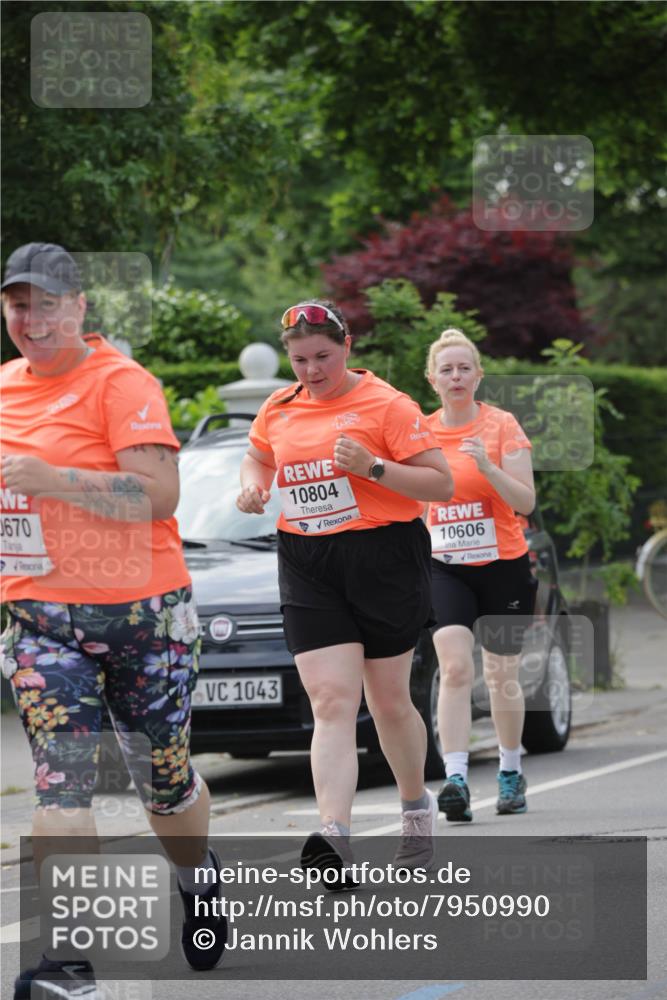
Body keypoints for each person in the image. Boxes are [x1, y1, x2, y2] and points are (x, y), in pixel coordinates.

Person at [0, 244, 226, 998]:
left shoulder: (121, 382)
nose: (32, 320)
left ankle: (195, 877)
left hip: (144, 618)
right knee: (61, 787)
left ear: (78, 306)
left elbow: (159, 496)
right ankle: (69, 965)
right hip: (40, 622)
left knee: (164, 784)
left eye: (47, 304)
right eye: (19, 305)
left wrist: (56, 479)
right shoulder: (2, 389)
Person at [236, 300, 454, 879]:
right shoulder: (278, 407)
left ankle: (415, 810)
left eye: (323, 357)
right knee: (331, 700)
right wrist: (252, 488)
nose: (312, 371)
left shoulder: (388, 405)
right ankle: (335, 835)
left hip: (384, 556)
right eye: (300, 360)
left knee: (388, 701)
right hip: (307, 559)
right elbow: (257, 458)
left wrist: (373, 467)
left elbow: (441, 483)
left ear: (347, 347)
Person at [424, 329, 537, 822]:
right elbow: (413, 502)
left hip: (503, 565)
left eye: (464, 368)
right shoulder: (421, 431)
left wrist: (488, 466)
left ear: (478, 376)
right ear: (432, 379)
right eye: (446, 369)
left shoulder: (501, 425)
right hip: (445, 567)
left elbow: (525, 501)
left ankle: (511, 770)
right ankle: (456, 780)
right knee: (453, 667)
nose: (456, 376)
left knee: (500, 674)